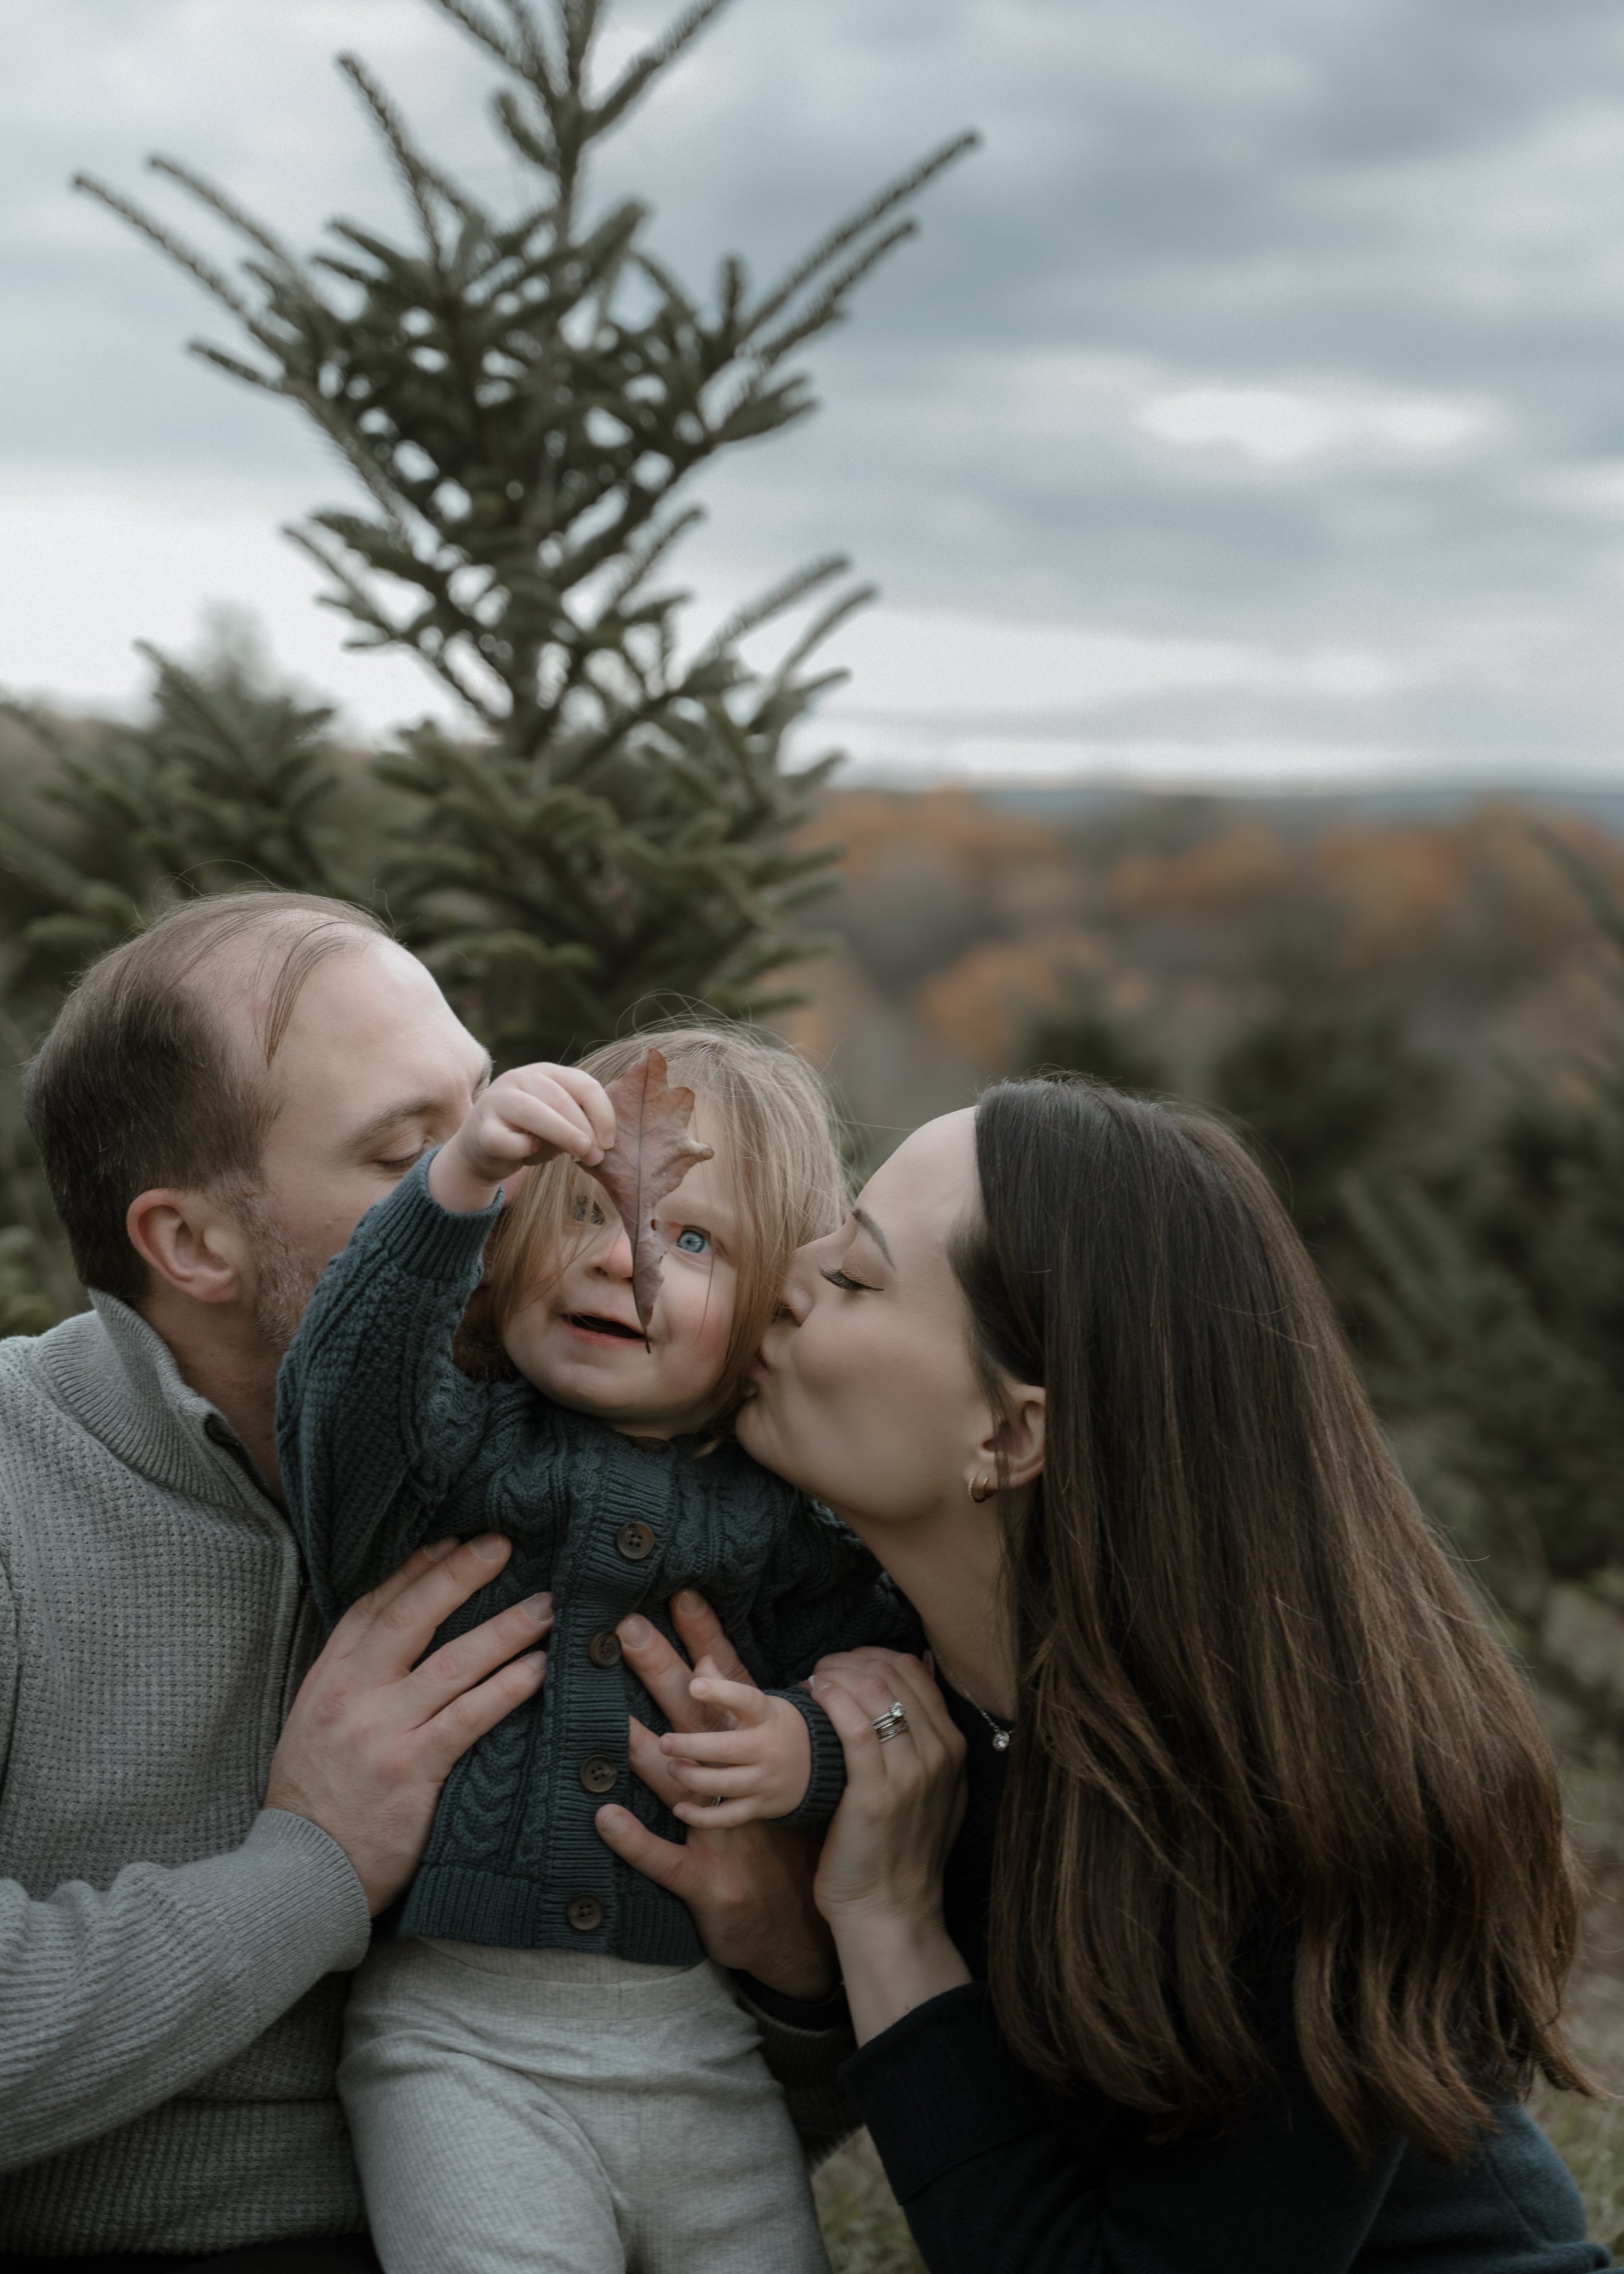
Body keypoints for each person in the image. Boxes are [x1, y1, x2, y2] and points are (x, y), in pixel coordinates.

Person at [611, 1077, 1612, 2274]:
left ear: (1013, 1436)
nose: (783, 1273)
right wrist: (799, 1955)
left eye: (856, 1276)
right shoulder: (886, 1677)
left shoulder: (1288, 1816)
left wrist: (889, 1923)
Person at [0, 896, 844, 2270]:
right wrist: (309, 1868)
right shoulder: (14, 1484)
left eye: (502, 1106)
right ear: (193, 1245)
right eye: (415, 1152)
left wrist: (790, 1964)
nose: (526, 1178)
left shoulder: (652, 1478)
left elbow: (706, 2123)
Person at [276, 1025, 915, 2274]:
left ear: (777, 1306)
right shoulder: (457, 1455)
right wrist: (450, 1186)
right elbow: (343, 1395)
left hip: (701, 2047)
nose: (622, 1255)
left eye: (693, 1240)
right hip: (458, 2046)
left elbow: (884, 1688)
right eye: (581, 1213)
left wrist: (807, 1754)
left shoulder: (790, 1518)